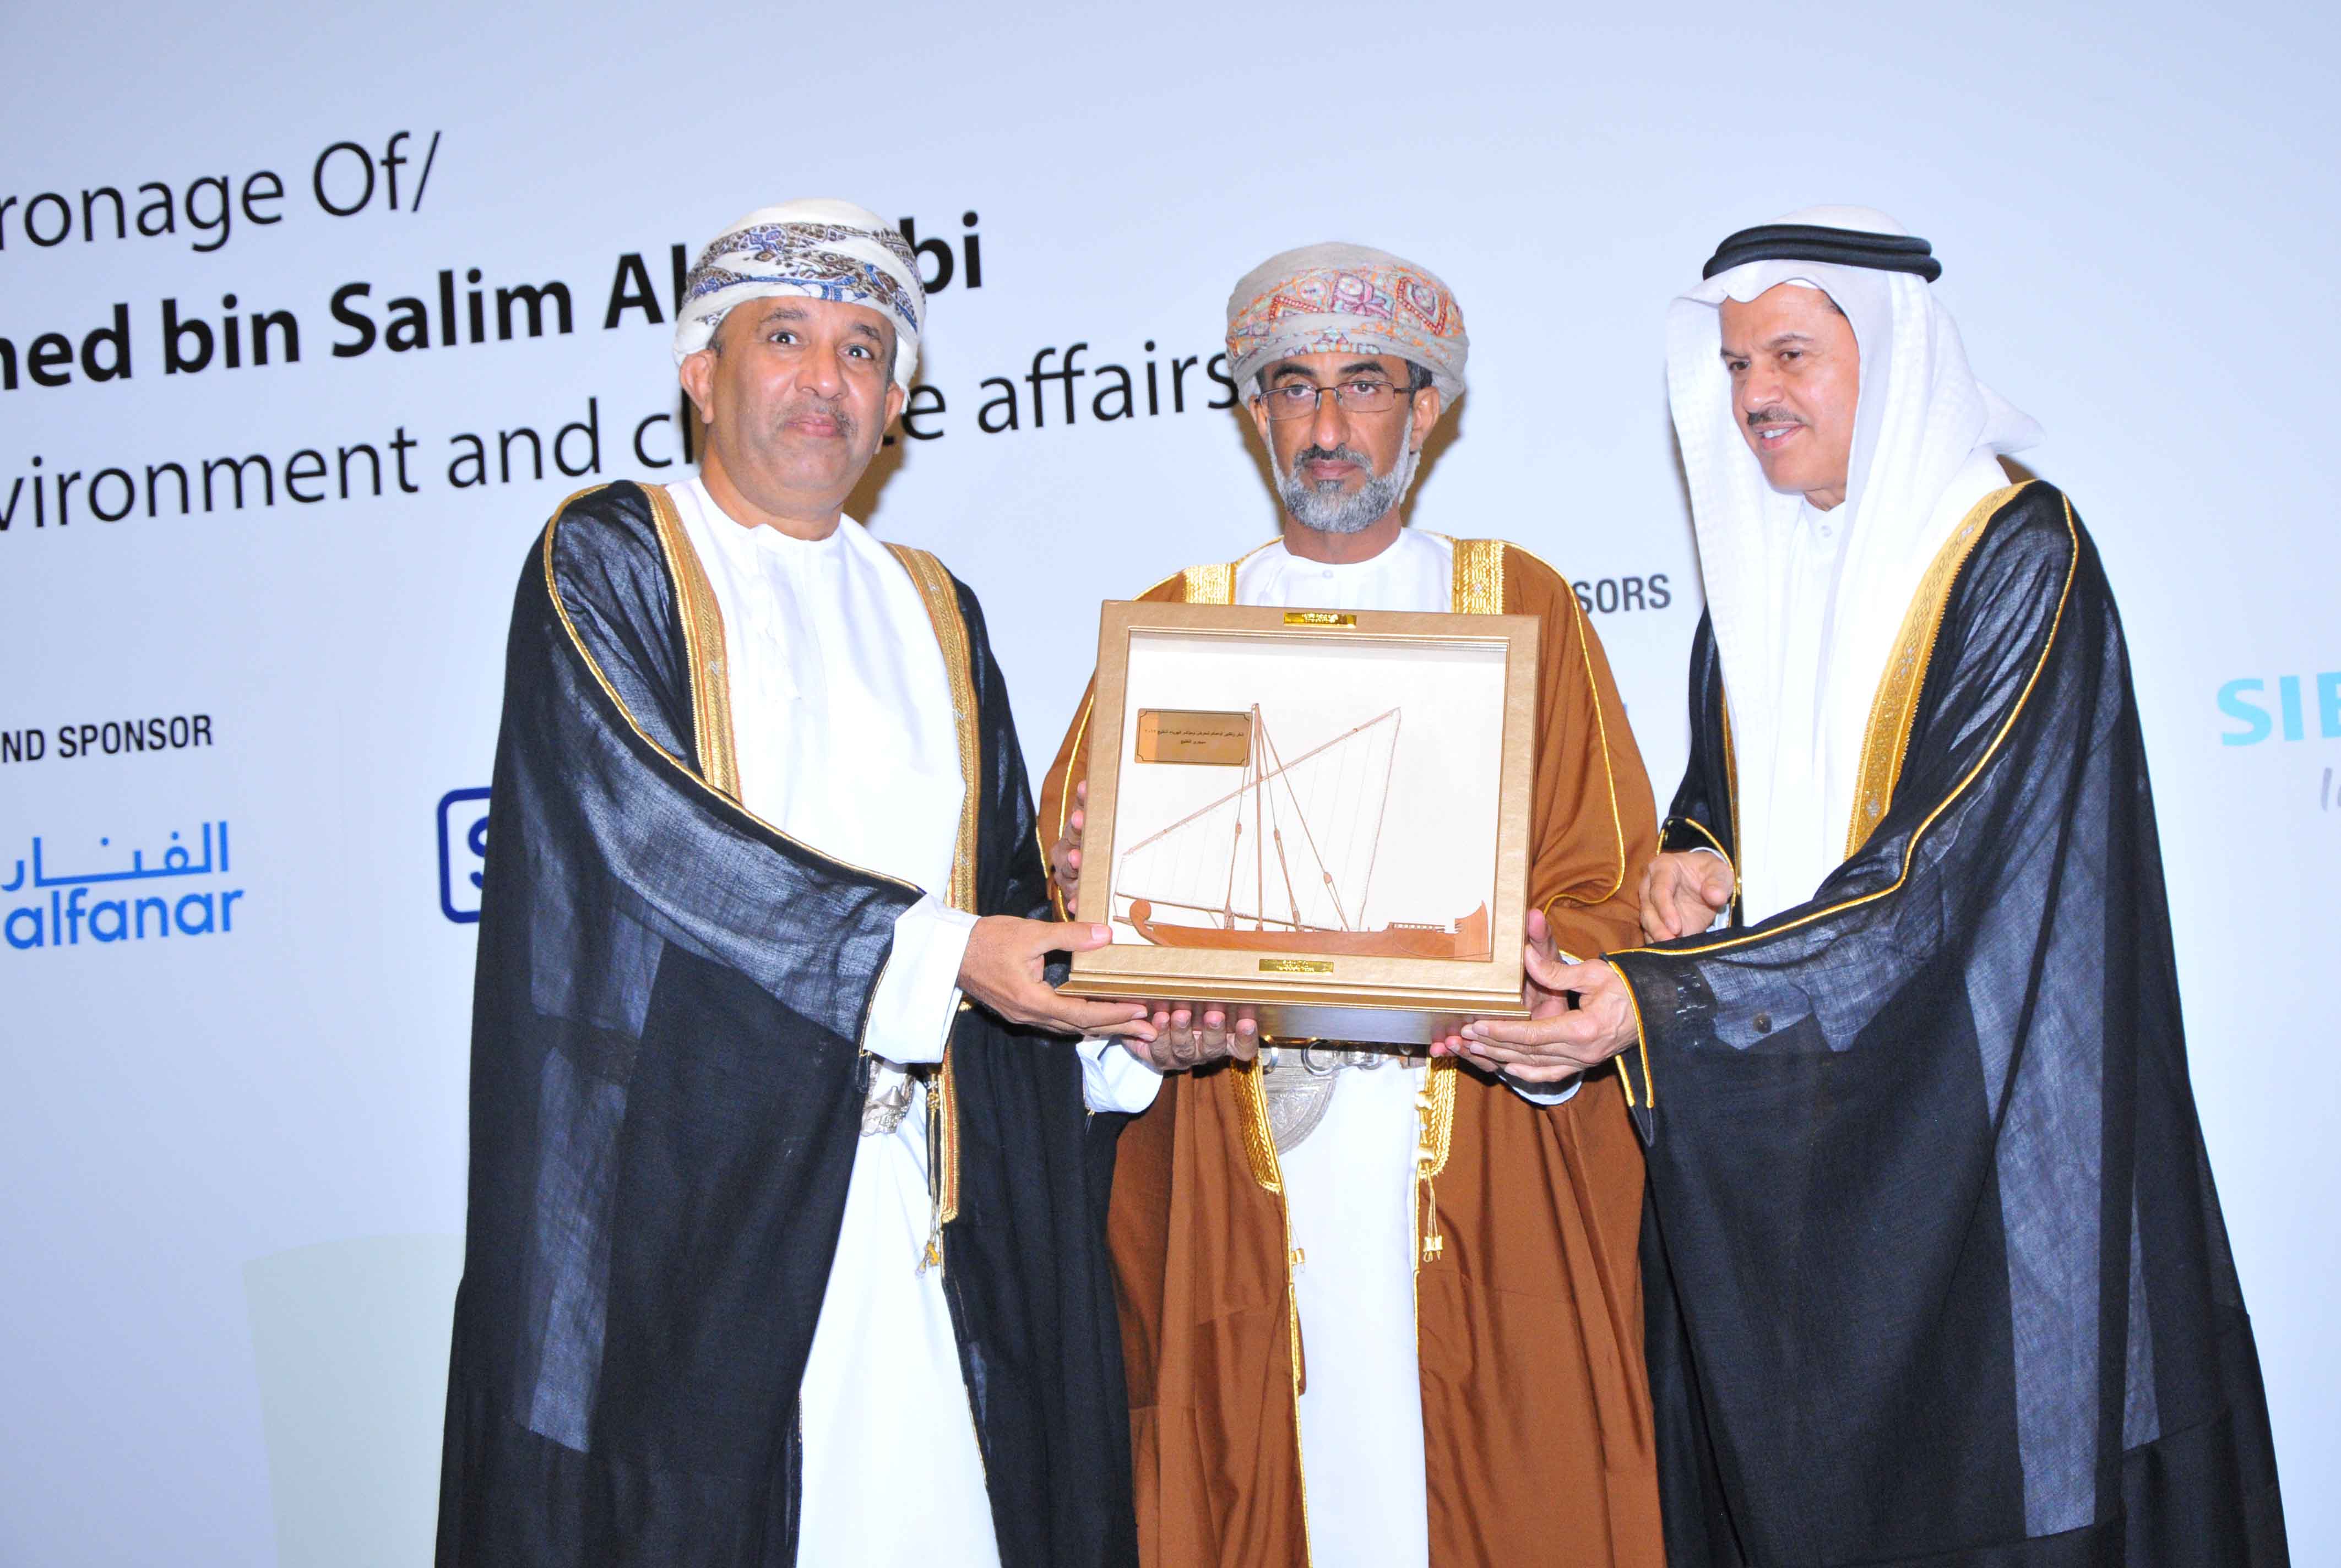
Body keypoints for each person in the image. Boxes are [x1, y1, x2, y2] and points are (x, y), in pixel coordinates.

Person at [1450, 208, 2288, 1566]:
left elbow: (1936, 874)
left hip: (1982, 1145)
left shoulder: (2017, 553)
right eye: (1734, 366)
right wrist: (1693, 866)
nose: (1754, 396)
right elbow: (1726, 802)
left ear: (1891, 358)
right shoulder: (1755, 581)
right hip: (1805, 1146)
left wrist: (1655, 1002)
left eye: (1789, 355)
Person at [434, 199, 1154, 1568]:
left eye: (864, 349)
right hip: (692, 1229)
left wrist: (1118, 1014)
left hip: (915, 1212)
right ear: (699, 375)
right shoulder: (611, 555)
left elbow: (1004, 899)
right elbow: (653, 844)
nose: (828, 378)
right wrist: (949, 955)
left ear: (897, 405)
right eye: (785, 338)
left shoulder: (934, 605)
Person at [1040, 243, 1666, 1568]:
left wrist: (1540, 989)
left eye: (1364, 384)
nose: (1326, 426)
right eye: (1293, 387)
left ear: (1423, 408)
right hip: (1245, 1161)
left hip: (1473, 1153)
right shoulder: (1174, 627)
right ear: (1253, 411)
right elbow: (1069, 927)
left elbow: (1604, 882)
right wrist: (1138, 1000)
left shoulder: (1522, 603)